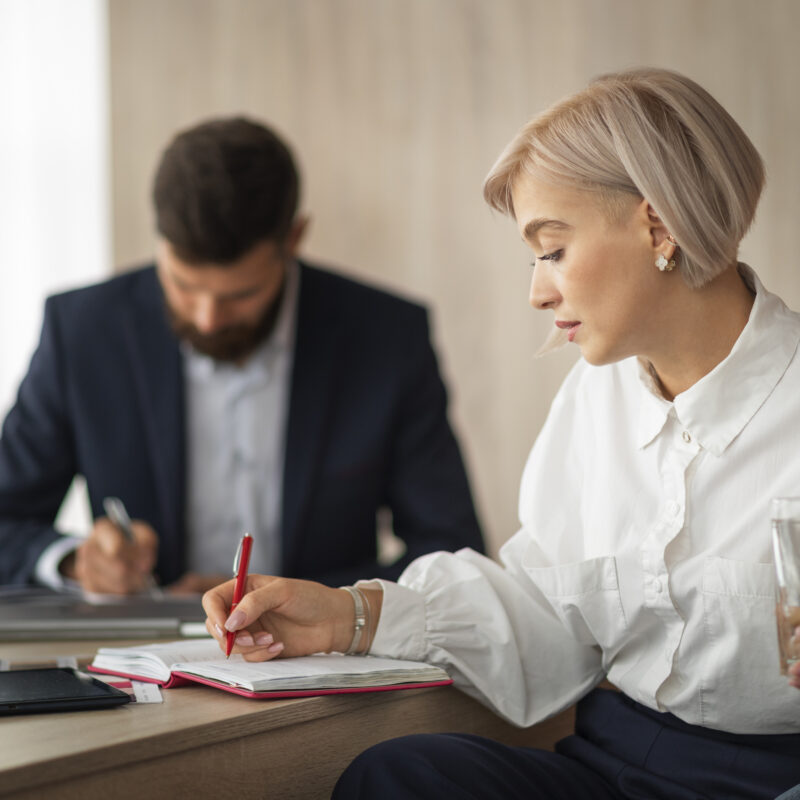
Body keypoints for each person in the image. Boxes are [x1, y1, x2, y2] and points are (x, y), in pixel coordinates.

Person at [202, 69, 800, 799]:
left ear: (659, 225)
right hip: (616, 761)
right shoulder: (596, 395)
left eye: (551, 250)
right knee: (401, 778)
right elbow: (546, 609)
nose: (538, 291)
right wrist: (346, 616)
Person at [0, 116, 484, 595]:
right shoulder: (83, 330)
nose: (208, 317)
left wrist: (320, 604)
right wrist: (74, 563)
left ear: (294, 239)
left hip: (325, 665)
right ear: (160, 242)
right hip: (132, 660)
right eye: (184, 286)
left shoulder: (386, 337)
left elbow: (453, 551)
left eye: (241, 294)